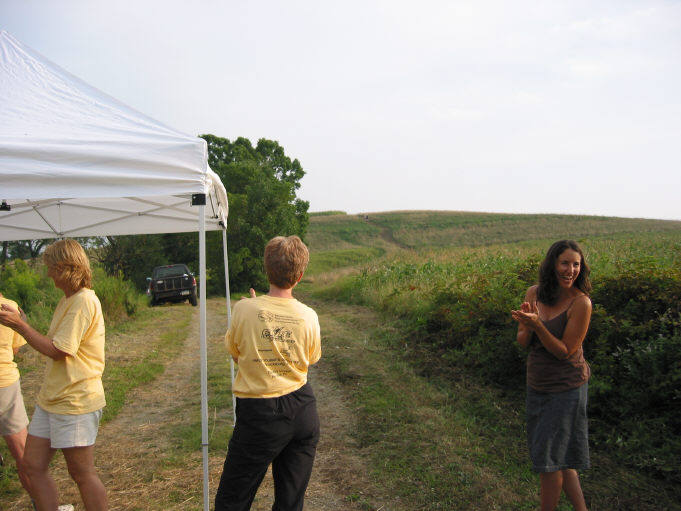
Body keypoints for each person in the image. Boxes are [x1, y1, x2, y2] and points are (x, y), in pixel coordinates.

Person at [214, 235, 322, 511]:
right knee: (290, 503)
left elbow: (238, 355)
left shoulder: (244, 309)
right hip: (302, 410)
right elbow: (308, 360)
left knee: (232, 500)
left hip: (261, 414)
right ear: (300, 275)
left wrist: (256, 310)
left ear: (266, 269)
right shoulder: (308, 315)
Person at [0, 239, 107, 511]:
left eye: (50, 267)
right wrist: (21, 320)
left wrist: (20, 326)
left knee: (81, 473)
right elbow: (53, 341)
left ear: (63, 268)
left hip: (75, 401)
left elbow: (59, 350)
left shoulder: (83, 301)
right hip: (52, 399)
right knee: (32, 466)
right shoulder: (69, 300)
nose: (47, 274)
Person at [511, 240, 592, 511]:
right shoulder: (534, 293)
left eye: (576, 264)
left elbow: (565, 351)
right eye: (565, 263)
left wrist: (539, 326)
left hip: (567, 388)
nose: (571, 270)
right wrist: (527, 326)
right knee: (561, 458)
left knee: (548, 462)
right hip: (538, 384)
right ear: (552, 265)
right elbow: (523, 341)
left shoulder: (581, 303)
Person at [0, 292, 32, 496]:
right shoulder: (9, 307)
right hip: (4, 384)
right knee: (23, 454)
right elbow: (15, 349)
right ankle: (44, 506)